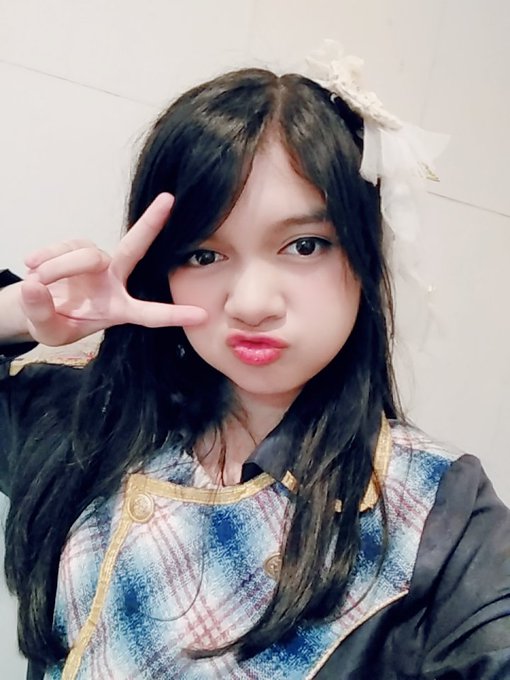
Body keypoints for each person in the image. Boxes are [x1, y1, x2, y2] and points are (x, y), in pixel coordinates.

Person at [1, 46, 509, 680]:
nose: (251, 303)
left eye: (304, 245)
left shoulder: (435, 510)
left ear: (364, 254)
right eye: (204, 255)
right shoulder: (88, 422)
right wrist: (24, 313)